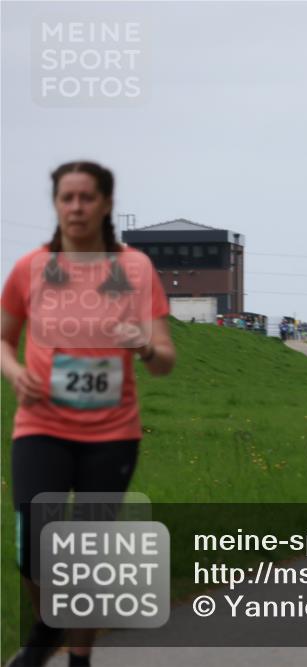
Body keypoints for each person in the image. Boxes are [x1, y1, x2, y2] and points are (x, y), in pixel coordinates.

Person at [1, 161, 177, 667]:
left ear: (106, 204)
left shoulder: (136, 269)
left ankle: (78, 657)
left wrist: (144, 345)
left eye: (86, 197)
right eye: (67, 198)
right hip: (41, 425)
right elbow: (3, 340)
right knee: (33, 545)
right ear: (56, 204)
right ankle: (48, 626)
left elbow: (165, 360)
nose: (76, 207)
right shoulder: (31, 268)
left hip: (112, 434)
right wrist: (14, 372)